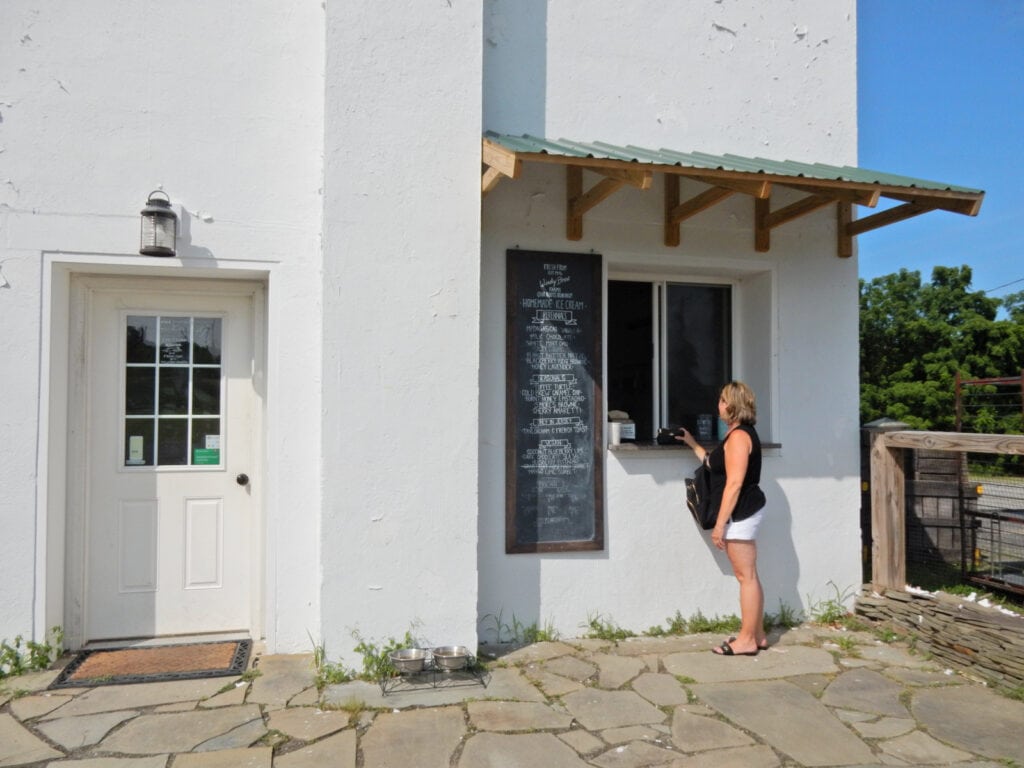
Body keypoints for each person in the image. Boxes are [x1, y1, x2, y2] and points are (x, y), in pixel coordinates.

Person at [677, 381, 767, 656]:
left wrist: (719, 525)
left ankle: (747, 640)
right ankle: (758, 634)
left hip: (742, 512)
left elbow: (734, 484)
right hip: (742, 512)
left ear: (733, 405)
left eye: (723, 401)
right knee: (749, 575)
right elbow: (712, 464)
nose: (719, 405)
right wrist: (692, 442)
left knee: (745, 576)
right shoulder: (735, 435)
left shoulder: (740, 437)